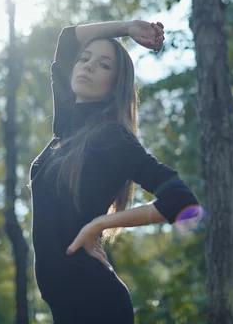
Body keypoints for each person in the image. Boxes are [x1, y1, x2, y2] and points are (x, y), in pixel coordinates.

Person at [28, 20, 202, 323]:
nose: (88, 66)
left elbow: (183, 202)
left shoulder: (109, 136)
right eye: (85, 59)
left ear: (115, 85)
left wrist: (99, 225)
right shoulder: (67, 127)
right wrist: (129, 27)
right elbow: (68, 38)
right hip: (65, 306)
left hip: (96, 304)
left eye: (104, 65)